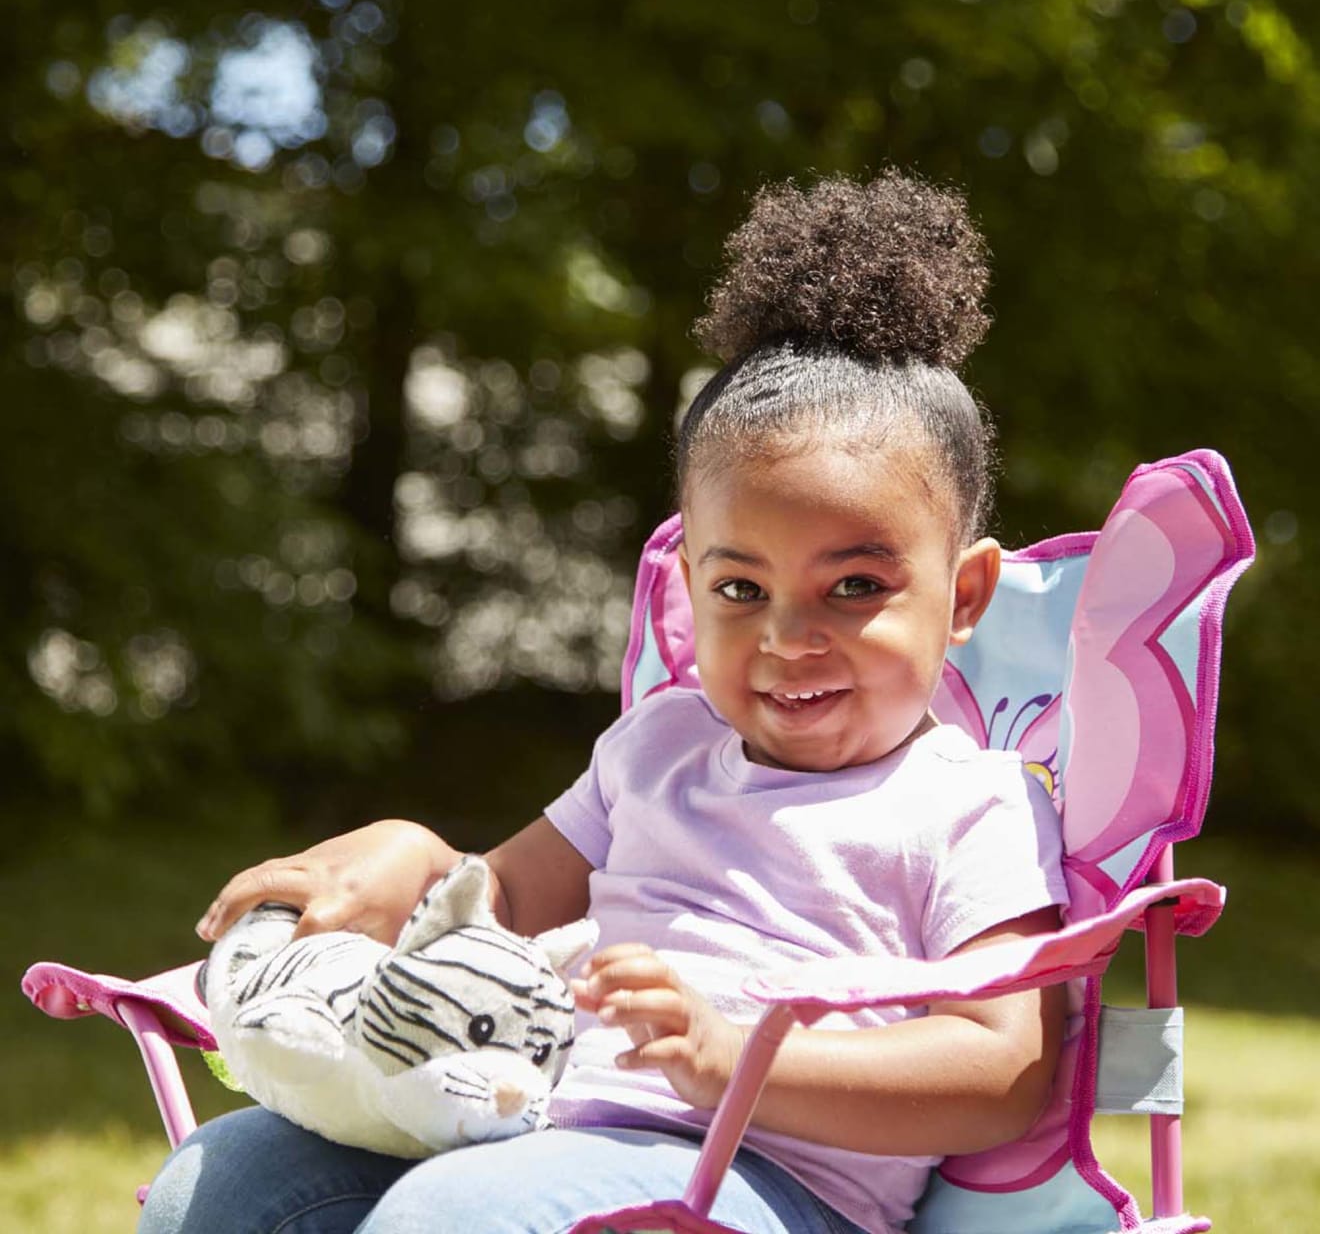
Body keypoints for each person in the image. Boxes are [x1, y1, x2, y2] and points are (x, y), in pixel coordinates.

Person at [140, 170, 1068, 1234]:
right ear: (692, 587)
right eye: (741, 590)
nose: (787, 637)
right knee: (226, 1177)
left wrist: (735, 1058)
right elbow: (500, 899)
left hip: (770, 1187)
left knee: (449, 1217)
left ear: (965, 595)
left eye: (855, 586)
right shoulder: (661, 745)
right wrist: (411, 857)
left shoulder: (973, 804)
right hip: (536, 1131)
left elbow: (1003, 1071)